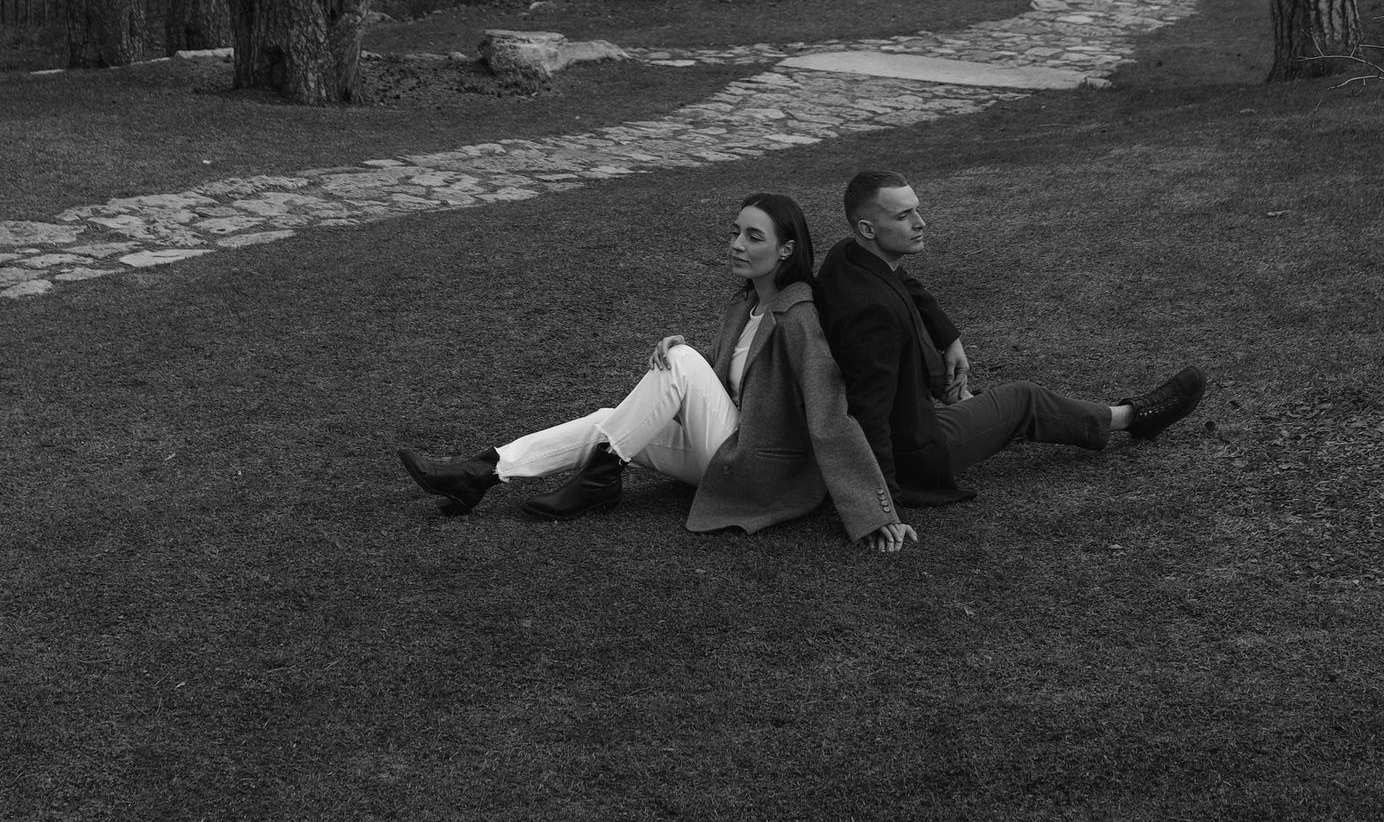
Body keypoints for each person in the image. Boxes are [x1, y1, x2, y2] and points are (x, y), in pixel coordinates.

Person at [397, 192, 919, 553]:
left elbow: (830, 419)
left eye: (753, 237)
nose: (737, 244)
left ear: (786, 250)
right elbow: (729, 382)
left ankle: (600, 477)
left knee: (680, 363)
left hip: (764, 472)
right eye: (735, 232)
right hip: (724, 451)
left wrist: (877, 511)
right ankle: (481, 473)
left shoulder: (799, 316)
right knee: (610, 417)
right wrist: (687, 356)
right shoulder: (745, 305)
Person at [816, 169, 1206, 507]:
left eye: (917, 209)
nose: (921, 223)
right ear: (868, 228)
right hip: (914, 453)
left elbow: (906, 285)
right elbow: (868, 414)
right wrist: (881, 507)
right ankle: (1132, 418)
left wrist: (950, 339)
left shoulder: (848, 256)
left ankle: (967, 403)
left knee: (928, 338)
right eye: (904, 216)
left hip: (909, 418)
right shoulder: (874, 313)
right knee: (1025, 398)